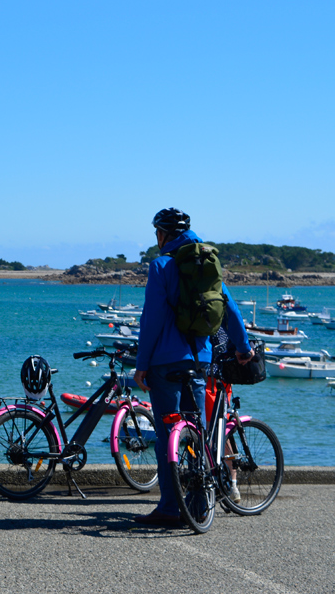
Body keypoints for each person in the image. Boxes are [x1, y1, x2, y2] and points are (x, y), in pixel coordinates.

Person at [133, 208, 252, 526]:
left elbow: (152, 320)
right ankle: (200, 507)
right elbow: (229, 307)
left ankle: (171, 507)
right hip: (200, 362)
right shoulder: (206, 264)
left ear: (162, 234)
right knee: (198, 434)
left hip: (164, 365)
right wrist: (243, 348)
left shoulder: (160, 265)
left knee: (167, 433)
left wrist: (141, 365)